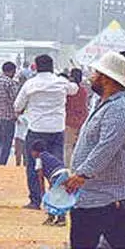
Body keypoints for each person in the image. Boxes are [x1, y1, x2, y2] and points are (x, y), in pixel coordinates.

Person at [64, 52, 125, 249]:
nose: (92, 77)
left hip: (111, 197)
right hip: (96, 194)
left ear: (106, 78)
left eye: (96, 72)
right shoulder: (106, 104)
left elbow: (107, 146)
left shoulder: (121, 108)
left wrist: (83, 174)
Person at [15, 54, 78, 208]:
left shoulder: (30, 84)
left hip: (36, 129)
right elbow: (74, 89)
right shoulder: (61, 83)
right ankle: (57, 200)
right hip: (57, 129)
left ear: (36, 66)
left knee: (33, 165)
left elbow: (17, 106)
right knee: (56, 167)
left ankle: (36, 200)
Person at [28, 139, 66, 227]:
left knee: (50, 198)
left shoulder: (39, 159)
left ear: (35, 151)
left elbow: (40, 176)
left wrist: (42, 191)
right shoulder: (49, 156)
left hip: (56, 176)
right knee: (59, 197)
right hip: (64, 173)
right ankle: (61, 218)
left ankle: (51, 218)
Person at [0, 61, 19, 166]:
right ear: (12, 71)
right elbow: (15, 99)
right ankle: (2, 163)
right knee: (6, 142)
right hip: (7, 117)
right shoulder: (10, 82)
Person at [64, 68, 89, 167]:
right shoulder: (83, 90)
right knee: (79, 146)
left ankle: (68, 168)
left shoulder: (69, 91)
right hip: (82, 120)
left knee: (68, 146)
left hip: (70, 120)